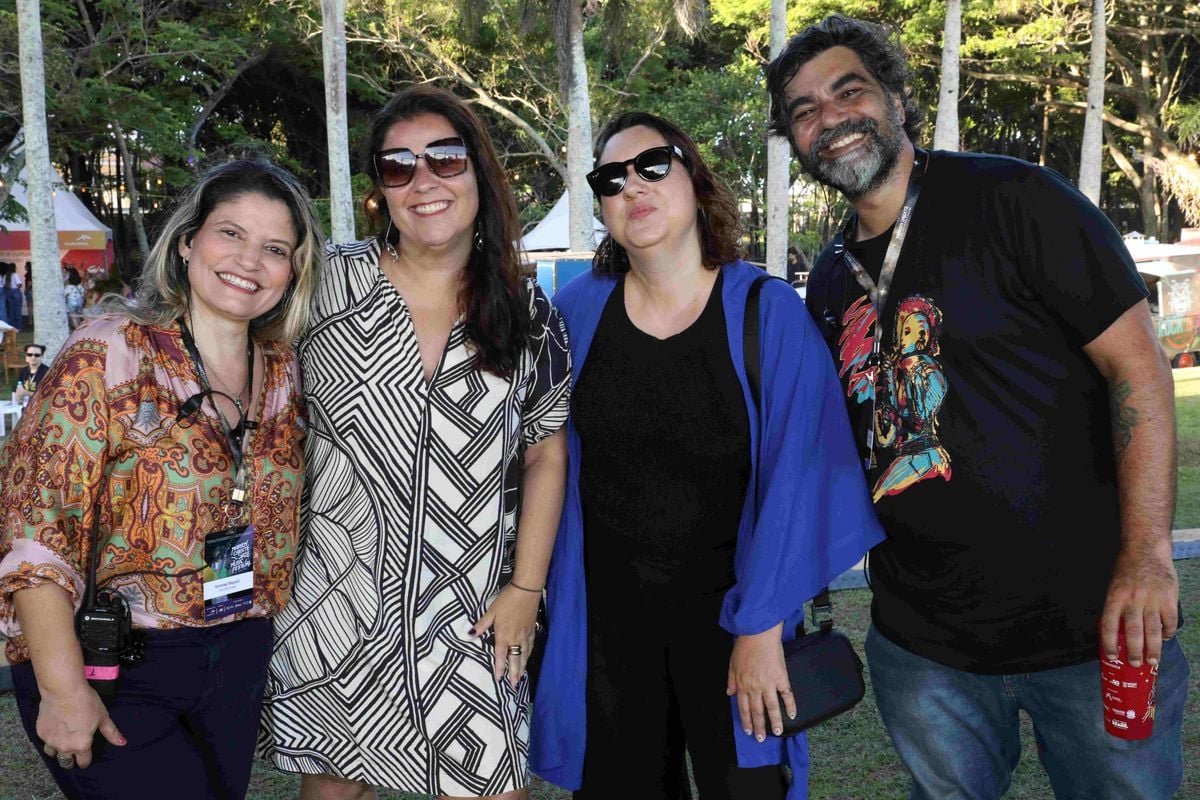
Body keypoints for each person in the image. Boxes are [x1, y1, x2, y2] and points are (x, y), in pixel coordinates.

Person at [766, 15, 1187, 799]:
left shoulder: (1017, 199)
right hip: (924, 648)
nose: (828, 118)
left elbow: (1139, 370)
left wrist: (1147, 557)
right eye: (803, 110)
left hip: (1090, 627)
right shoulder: (825, 280)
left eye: (846, 90)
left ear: (894, 95)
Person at [529, 112, 883, 800]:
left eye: (652, 166)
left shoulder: (766, 312)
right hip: (607, 633)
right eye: (611, 178)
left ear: (694, 178)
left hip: (733, 625)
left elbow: (803, 479)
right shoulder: (572, 318)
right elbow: (535, 455)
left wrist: (760, 629)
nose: (632, 186)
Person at [259, 85, 571, 800]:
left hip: (472, 616)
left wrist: (527, 589)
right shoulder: (325, 285)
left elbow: (546, 450)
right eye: (398, 167)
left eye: (444, 159)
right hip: (338, 608)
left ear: (479, 173)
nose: (423, 181)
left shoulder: (525, 310)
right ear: (381, 191)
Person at [0, 158, 323, 800]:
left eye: (275, 248)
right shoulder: (108, 352)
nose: (249, 261)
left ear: (293, 271)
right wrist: (64, 690)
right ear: (186, 242)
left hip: (236, 652)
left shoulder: (288, 371)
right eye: (230, 233)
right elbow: (35, 531)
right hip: (111, 658)